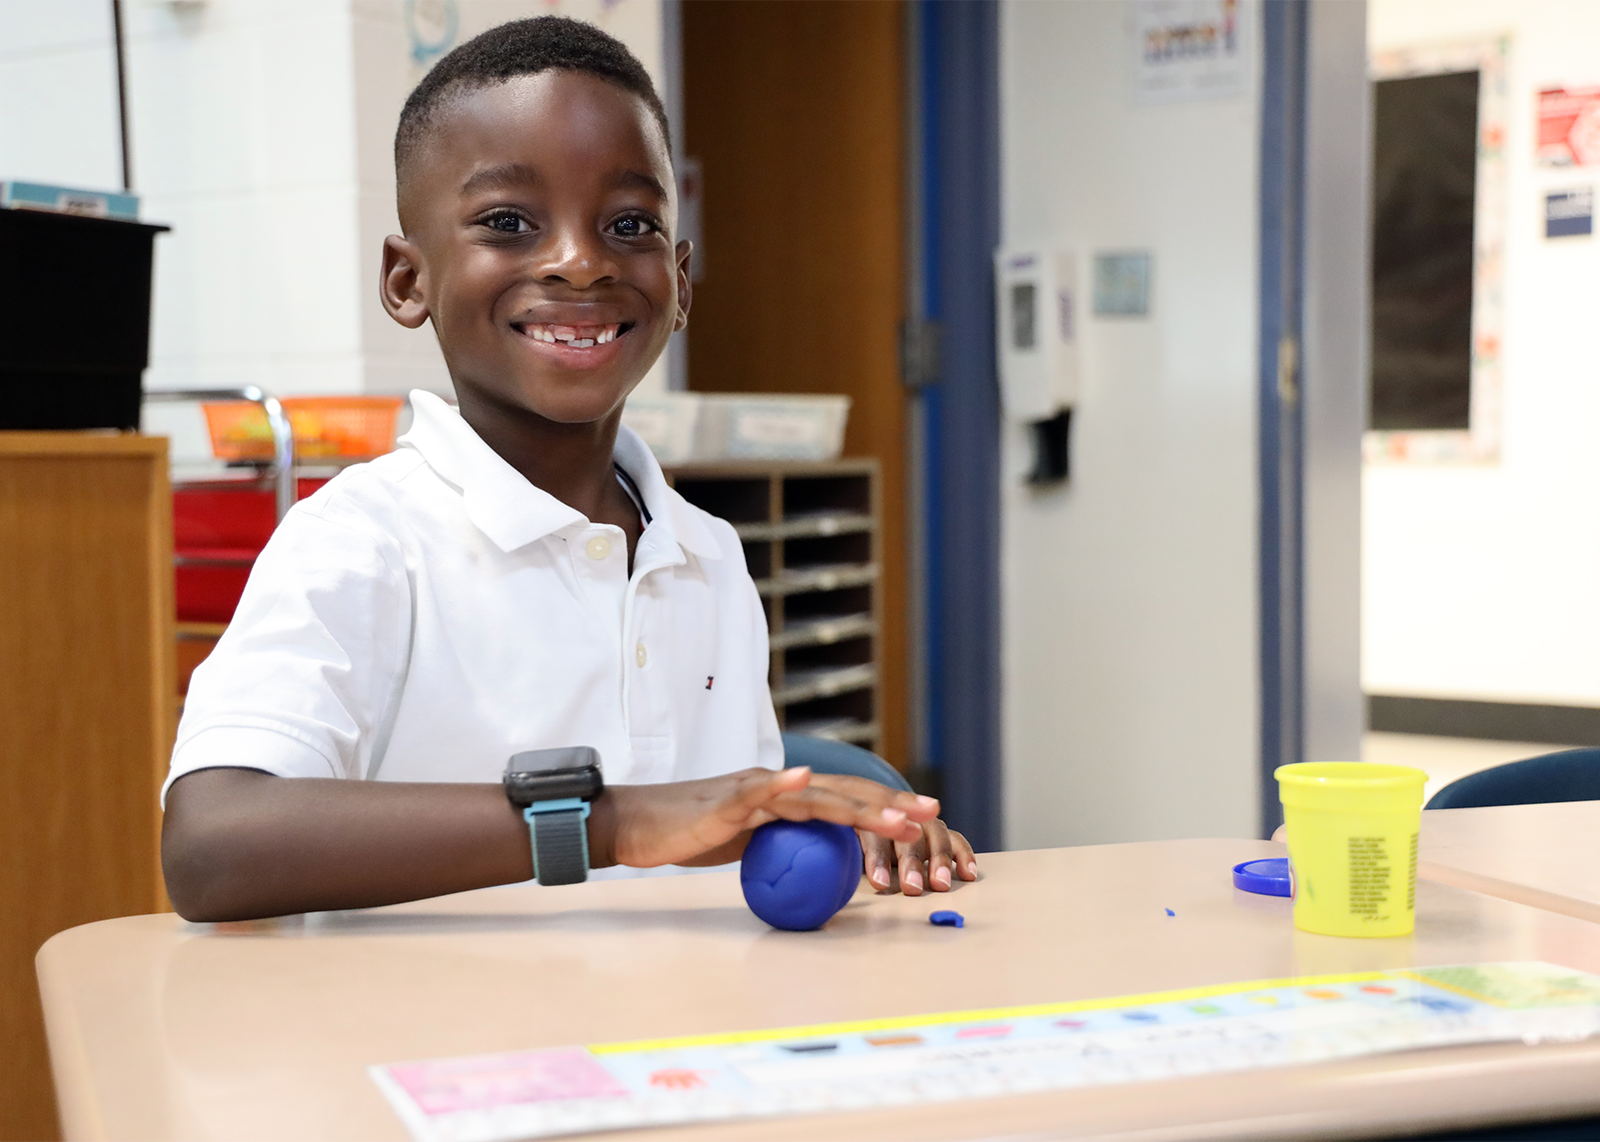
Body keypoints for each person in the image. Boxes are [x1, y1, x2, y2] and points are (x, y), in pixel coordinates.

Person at [161, 16, 977, 923]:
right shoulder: (360, 541)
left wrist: (835, 826)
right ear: (407, 281)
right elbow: (211, 845)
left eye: (628, 224)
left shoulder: (705, 553)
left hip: (673, 1049)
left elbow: (721, 831)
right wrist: (605, 825)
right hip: (432, 1053)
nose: (579, 262)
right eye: (507, 223)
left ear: (681, 278)